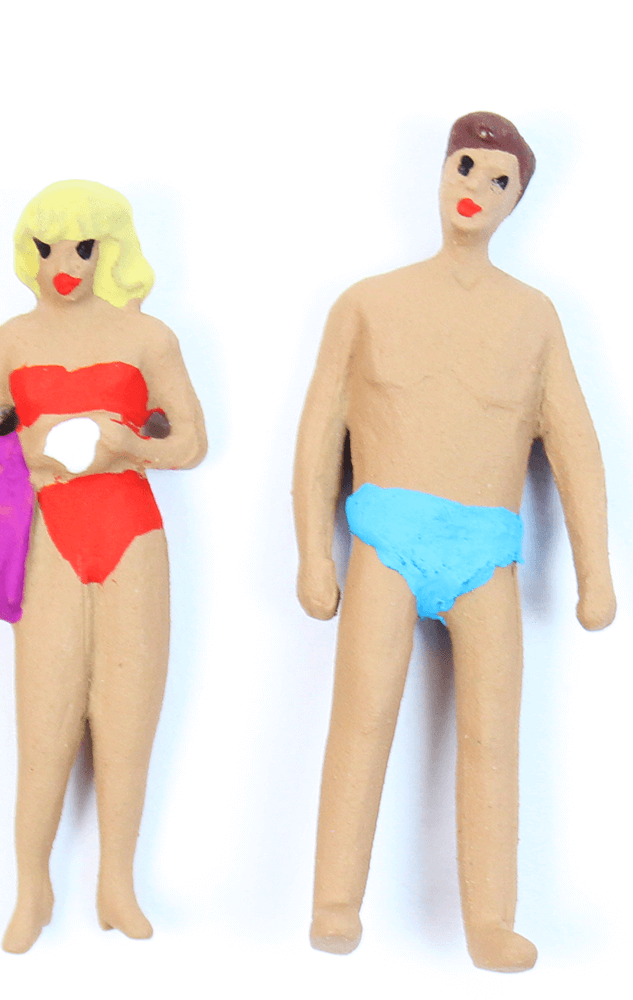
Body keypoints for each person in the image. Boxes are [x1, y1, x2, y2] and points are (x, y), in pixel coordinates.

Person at [292, 113, 615, 972]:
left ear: (517, 200)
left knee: (493, 735)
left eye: (499, 179)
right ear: (441, 173)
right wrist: (313, 552)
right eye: (465, 167)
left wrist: (596, 573)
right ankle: (334, 902)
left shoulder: (532, 317)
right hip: (387, 540)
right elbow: (321, 429)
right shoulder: (368, 303)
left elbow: (575, 445)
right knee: (362, 715)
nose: (476, 188)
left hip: (484, 554)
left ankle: (490, 922)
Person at [0, 180, 206, 953]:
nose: (63, 264)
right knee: (43, 728)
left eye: (82, 247)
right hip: (47, 540)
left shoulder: (149, 338)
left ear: (111, 250)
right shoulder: (10, 340)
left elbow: (191, 440)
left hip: (131, 537)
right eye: (46, 248)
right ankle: (30, 889)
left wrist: (128, 443)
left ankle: (118, 883)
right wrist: (35, 448)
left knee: (127, 723)